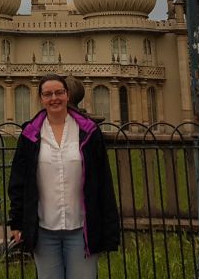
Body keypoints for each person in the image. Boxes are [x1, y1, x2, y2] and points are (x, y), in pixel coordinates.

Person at [8, 74, 120, 278]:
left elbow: (103, 182)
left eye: (59, 92)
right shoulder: (30, 134)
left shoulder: (88, 132)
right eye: (48, 94)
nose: (54, 98)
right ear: (41, 98)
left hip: (81, 229)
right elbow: (19, 181)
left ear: (68, 95)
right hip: (44, 230)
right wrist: (16, 222)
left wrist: (109, 228)